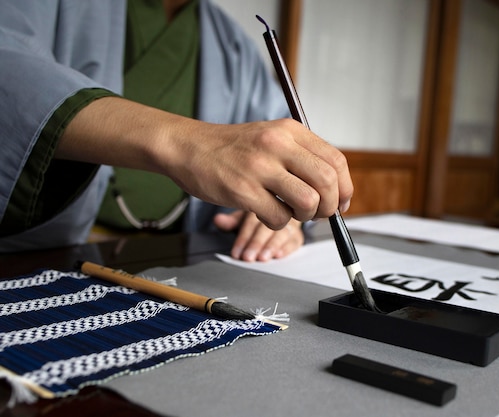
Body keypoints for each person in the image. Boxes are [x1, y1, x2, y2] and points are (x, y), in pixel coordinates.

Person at [0, 1, 353, 261]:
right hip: (43, 259)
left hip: (187, 263)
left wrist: (279, 207)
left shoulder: (230, 43)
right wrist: (183, 142)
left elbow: (279, 146)